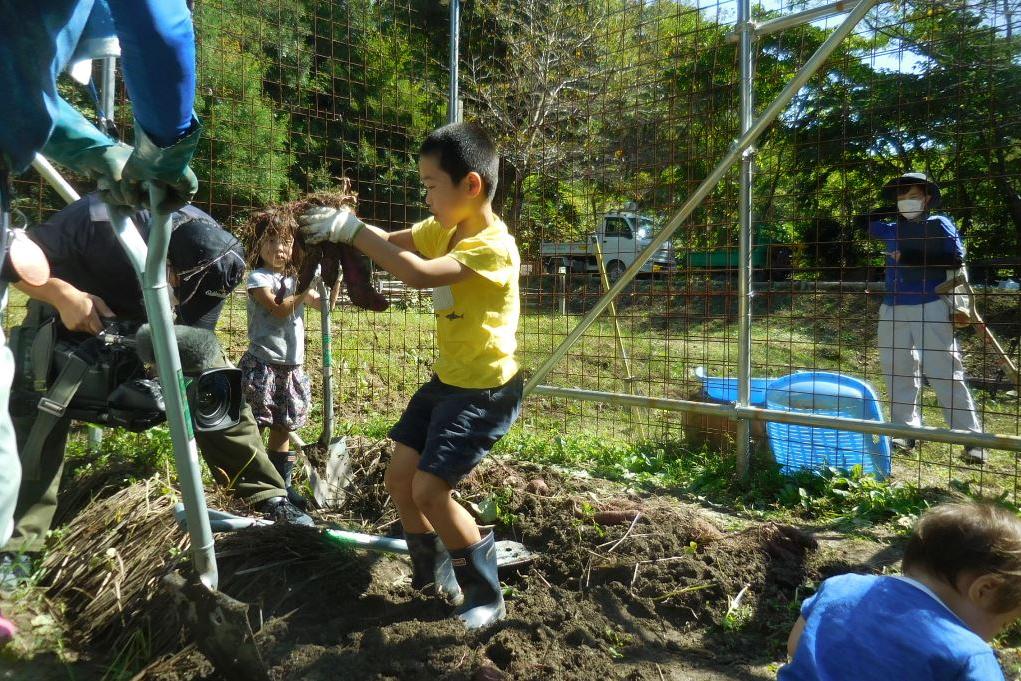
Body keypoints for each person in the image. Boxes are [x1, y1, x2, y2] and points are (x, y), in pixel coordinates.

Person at [0, 194, 312, 589]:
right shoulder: (94, 220)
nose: (180, 297)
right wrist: (64, 296)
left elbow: (196, 333)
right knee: (40, 408)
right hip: (73, 312)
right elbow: (14, 261)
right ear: (166, 262)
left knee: (213, 380)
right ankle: (20, 547)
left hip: (146, 320)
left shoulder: (221, 254)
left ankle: (268, 495)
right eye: (179, 288)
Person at [299, 122, 522, 629]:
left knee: (429, 491)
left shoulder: (494, 247)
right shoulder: (443, 229)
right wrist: (342, 231)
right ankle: (433, 568)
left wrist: (353, 233)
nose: (425, 195)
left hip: (484, 392)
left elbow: (419, 274)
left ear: (471, 185)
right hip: (448, 381)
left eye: (430, 185)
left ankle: (485, 592)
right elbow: (393, 243)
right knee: (400, 480)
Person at [780, 501, 1021, 680]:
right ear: (985, 590)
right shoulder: (969, 656)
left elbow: (795, 644)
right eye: (1004, 624)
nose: (994, 637)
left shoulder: (841, 587)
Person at [860, 172, 985, 463]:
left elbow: (955, 259)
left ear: (927, 198)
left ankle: (971, 439)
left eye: (913, 196)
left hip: (930, 304)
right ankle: (905, 432)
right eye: (901, 198)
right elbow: (862, 221)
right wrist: (889, 208)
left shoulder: (938, 224)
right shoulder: (891, 229)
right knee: (897, 369)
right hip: (892, 306)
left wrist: (911, 258)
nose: (906, 202)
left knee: (944, 369)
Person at [240, 213, 320, 509]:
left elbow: (326, 305)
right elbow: (279, 308)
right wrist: (305, 284)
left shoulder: (295, 279)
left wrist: (329, 279)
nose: (279, 248)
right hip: (263, 364)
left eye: (285, 241)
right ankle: (249, 482)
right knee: (255, 424)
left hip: (291, 366)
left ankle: (281, 486)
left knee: (282, 426)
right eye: (270, 241)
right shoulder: (258, 279)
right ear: (258, 246)